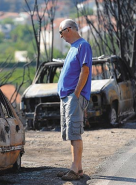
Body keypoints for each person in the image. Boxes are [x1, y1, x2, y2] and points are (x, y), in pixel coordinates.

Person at [56, 19, 92, 181]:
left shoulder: (82, 45)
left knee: (75, 132)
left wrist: (76, 94)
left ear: (68, 29)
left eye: (60, 32)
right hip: (68, 96)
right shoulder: (73, 47)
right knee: (72, 132)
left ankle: (74, 169)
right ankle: (77, 168)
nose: (60, 36)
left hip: (73, 96)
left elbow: (85, 70)